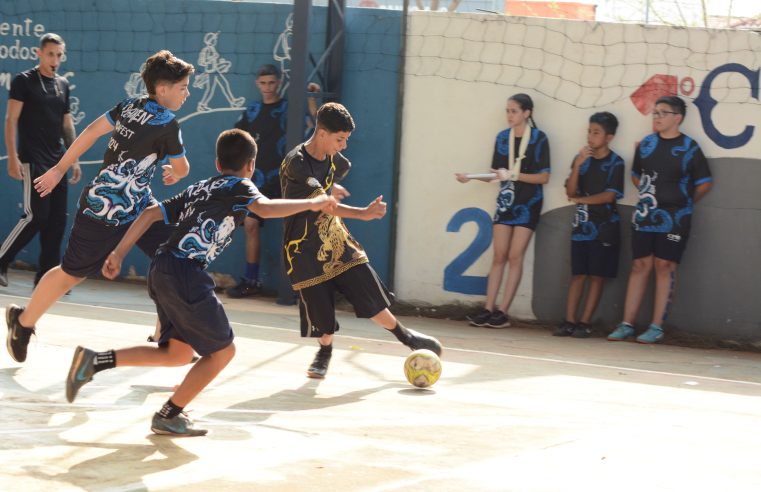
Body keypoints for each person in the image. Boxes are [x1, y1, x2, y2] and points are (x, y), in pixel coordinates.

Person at [65, 129, 337, 436]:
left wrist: (119, 251)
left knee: (178, 354)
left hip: (162, 267)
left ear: (218, 164)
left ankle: (94, 361)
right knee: (223, 352)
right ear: (250, 166)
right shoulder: (241, 186)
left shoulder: (201, 187)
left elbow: (152, 212)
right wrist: (313, 204)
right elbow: (265, 208)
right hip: (184, 272)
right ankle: (169, 414)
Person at [5, 50, 194, 364]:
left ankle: (166, 335)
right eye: (183, 87)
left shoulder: (129, 105)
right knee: (71, 273)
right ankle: (22, 323)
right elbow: (184, 167)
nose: (187, 93)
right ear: (162, 89)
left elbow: (91, 131)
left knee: (172, 255)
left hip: (139, 204)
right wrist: (177, 172)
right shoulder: (168, 124)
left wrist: (59, 169)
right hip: (103, 209)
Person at [280, 102, 442, 379]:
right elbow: (323, 204)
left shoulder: (337, 160)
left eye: (346, 140)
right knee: (321, 314)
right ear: (321, 133)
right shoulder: (296, 163)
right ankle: (325, 350)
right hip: (302, 246)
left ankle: (406, 338)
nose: (343, 146)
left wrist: (333, 187)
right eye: (339, 139)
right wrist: (363, 214)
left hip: (336, 238)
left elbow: (328, 186)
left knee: (367, 290)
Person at [607, 96, 712, 344]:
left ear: (678, 118)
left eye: (662, 113)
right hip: (645, 217)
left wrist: (681, 202)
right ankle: (626, 324)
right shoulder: (646, 144)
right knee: (640, 265)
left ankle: (656, 326)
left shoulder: (690, 147)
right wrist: (649, 193)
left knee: (664, 267)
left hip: (676, 218)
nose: (656, 117)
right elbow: (636, 176)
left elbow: (705, 183)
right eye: (655, 113)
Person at [226, 64, 322, 299]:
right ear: (257, 84)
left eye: (271, 82)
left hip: (286, 180)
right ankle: (251, 281)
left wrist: (311, 98)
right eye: (263, 83)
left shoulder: (289, 109)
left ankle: (301, 285)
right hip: (256, 180)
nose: (267, 87)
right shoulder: (252, 112)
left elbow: (316, 128)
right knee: (250, 226)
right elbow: (235, 142)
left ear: (279, 83)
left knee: (291, 231)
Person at [456, 93, 551, 328]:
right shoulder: (502, 138)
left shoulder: (539, 139)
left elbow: (544, 177)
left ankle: (503, 311)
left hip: (529, 203)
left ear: (527, 113)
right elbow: (495, 176)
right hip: (506, 202)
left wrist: (514, 175)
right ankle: (488, 308)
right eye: (507, 111)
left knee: (515, 256)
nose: (509, 115)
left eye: (514, 111)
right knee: (499, 255)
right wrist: (471, 177)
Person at [0, 33, 82, 288]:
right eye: (50, 54)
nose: (55, 59)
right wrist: (13, 158)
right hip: (33, 160)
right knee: (36, 216)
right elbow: (11, 120)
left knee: (57, 221)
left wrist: (73, 158)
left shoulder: (62, 85)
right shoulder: (24, 81)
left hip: (58, 163)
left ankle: (46, 280)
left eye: (59, 55)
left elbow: (66, 124)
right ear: (39, 53)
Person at [553, 112, 624, 338]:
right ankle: (569, 320)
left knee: (596, 275)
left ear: (609, 136)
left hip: (605, 228)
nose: (590, 137)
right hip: (581, 227)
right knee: (578, 274)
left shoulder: (616, 162)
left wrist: (582, 200)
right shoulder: (581, 158)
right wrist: (578, 166)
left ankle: (585, 322)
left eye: (596, 133)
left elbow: (610, 196)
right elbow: (570, 192)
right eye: (589, 132)